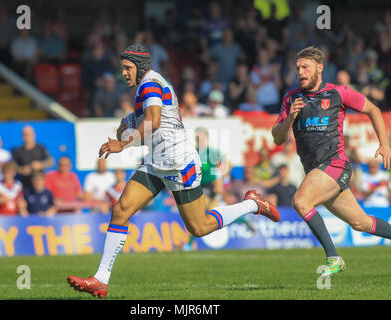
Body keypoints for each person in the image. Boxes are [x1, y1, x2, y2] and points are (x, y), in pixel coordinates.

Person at [67, 44, 280, 298]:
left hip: (179, 163)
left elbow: (153, 121)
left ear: (141, 66)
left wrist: (123, 143)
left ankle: (252, 205)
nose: (123, 73)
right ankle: (101, 279)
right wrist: (125, 128)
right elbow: (145, 122)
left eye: (127, 68)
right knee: (121, 210)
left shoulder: (149, 84)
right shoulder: (145, 88)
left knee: (199, 227)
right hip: (156, 162)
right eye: (122, 68)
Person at [272, 46, 391, 277]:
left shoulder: (338, 93)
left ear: (319, 68)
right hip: (317, 173)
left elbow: (373, 109)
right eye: (298, 68)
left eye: (305, 67)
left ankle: (333, 257)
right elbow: (277, 138)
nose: (301, 72)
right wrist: (290, 119)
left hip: (336, 165)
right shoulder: (291, 98)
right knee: (361, 223)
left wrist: (385, 144)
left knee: (301, 201)